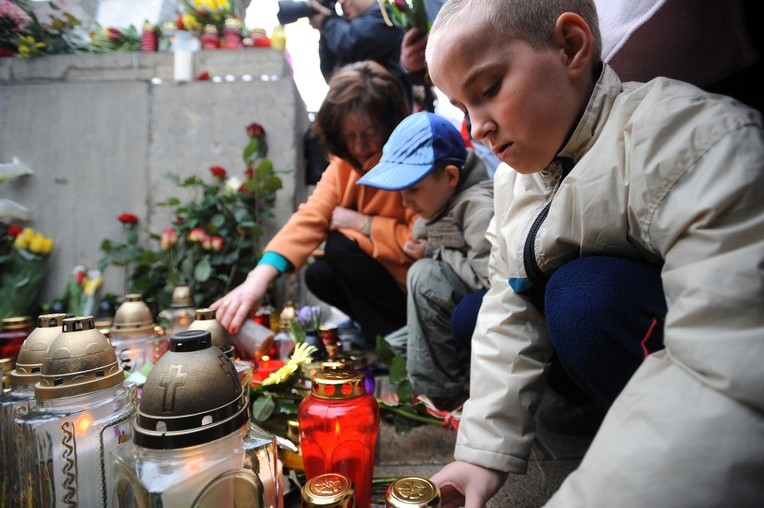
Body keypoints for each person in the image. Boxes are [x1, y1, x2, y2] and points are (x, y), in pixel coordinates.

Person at [424, 0, 764, 506]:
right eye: (462, 108)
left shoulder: (686, 139)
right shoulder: (513, 183)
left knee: (582, 298)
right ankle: (599, 416)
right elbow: (509, 304)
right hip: (619, 338)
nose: (477, 129)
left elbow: (726, 364)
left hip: (690, 346)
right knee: (482, 311)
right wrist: (481, 456)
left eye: (489, 89)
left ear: (572, 46)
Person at [212, 61, 418, 348]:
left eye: (369, 133)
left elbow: (419, 242)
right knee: (319, 274)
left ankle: (400, 343)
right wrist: (256, 280)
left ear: (389, 126)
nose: (358, 147)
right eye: (349, 135)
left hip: (412, 284)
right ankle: (379, 339)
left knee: (339, 246)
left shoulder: (414, 165)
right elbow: (310, 218)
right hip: (381, 279)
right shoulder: (342, 166)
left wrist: (364, 225)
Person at [356, 111, 493, 411]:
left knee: (424, 274)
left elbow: (490, 283)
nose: (405, 202)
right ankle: (421, 381)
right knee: (391, 347)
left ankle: (440, 394)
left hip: (483, 319)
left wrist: (433, 252)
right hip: (457, 315)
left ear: (450, 176)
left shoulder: (479, 207)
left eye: (413, 189)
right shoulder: (441, 204)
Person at [308, 0, 412, 106]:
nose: (341, 2)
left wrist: (327, 21)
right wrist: (324, 29)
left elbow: (351, 42)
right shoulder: (345, 26)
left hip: (389, 112)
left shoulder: (386, 14)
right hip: (357, 113)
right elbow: (331, 74)